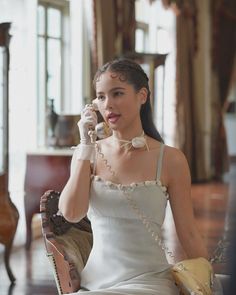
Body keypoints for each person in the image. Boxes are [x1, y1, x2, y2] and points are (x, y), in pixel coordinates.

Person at [58, 58, 220, 294]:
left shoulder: (171, 159)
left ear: (142, 96)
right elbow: (71, 213)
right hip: (96, 284)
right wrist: (85, 144)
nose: (108, 105)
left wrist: (205, 282)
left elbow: (189, 233)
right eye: (101, 97)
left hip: (152, 281)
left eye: (117, 93)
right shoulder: (88, 154)